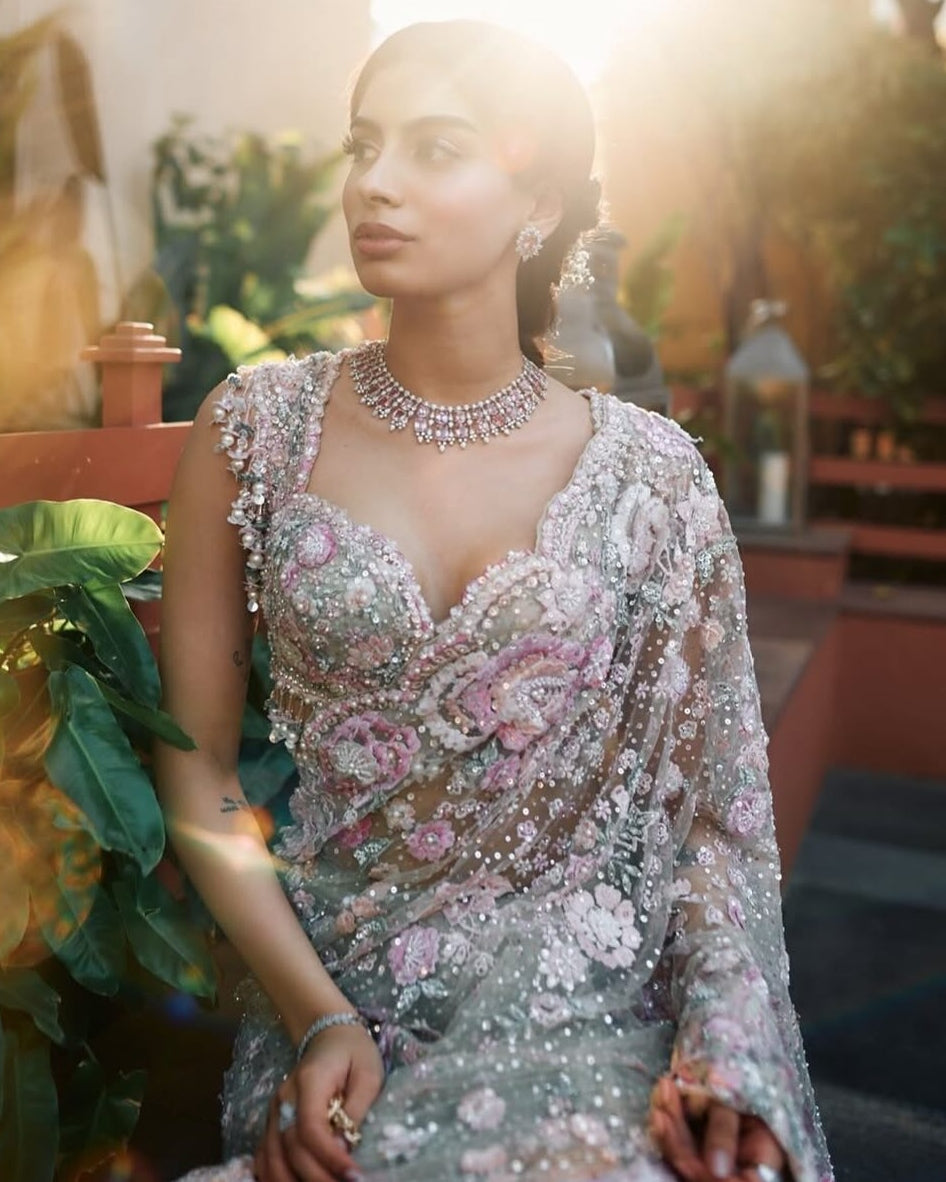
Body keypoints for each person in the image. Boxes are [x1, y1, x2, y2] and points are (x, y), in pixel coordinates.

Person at [156, 20, 833, 1182]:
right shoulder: (255, 431)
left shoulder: (650, 475)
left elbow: (715, 820)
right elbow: (199, 768)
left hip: (589, 1010)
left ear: (535, 201)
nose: (374, 180)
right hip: (335, 1015)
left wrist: (727, 1054)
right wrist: (315, 1016)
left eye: (435, 148)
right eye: (365, 145)